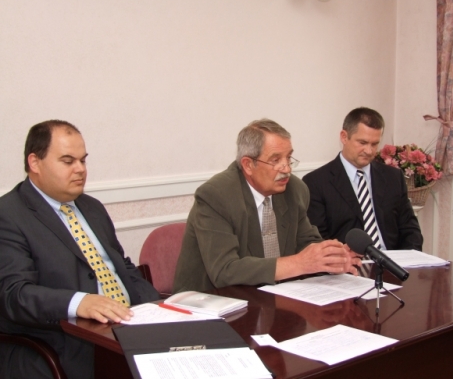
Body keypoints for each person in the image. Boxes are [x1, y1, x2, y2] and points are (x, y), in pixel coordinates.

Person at [0, 120, 160, 379]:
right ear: (35, 162)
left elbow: (122, 266)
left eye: (83, 160)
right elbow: (15, 294)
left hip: (127, 331)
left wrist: (159, 308)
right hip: (62, 347)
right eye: (68, 161)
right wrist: (78, 302)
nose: (80, 169)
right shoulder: (9, 215)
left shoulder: (92, 207)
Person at [172, 119, 361, 293]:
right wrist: (299, 263)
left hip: (273, 298)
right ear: (248, 165)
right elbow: (224, 270)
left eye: (288, 158)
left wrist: (332, 257)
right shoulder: (216, 196)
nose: (286, 168)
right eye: (275, 160)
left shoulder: (295, 190)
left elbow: (306, 242)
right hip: (211, 303)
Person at [302, 107, 422, 250]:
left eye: (374, 144)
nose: (369, 151)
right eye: (363, 143)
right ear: (344, 137)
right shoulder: (316, 182)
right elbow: (318, 240)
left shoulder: (393, 177)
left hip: (393, 259)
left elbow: (410, 230)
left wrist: (409, 259)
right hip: (344, 261)